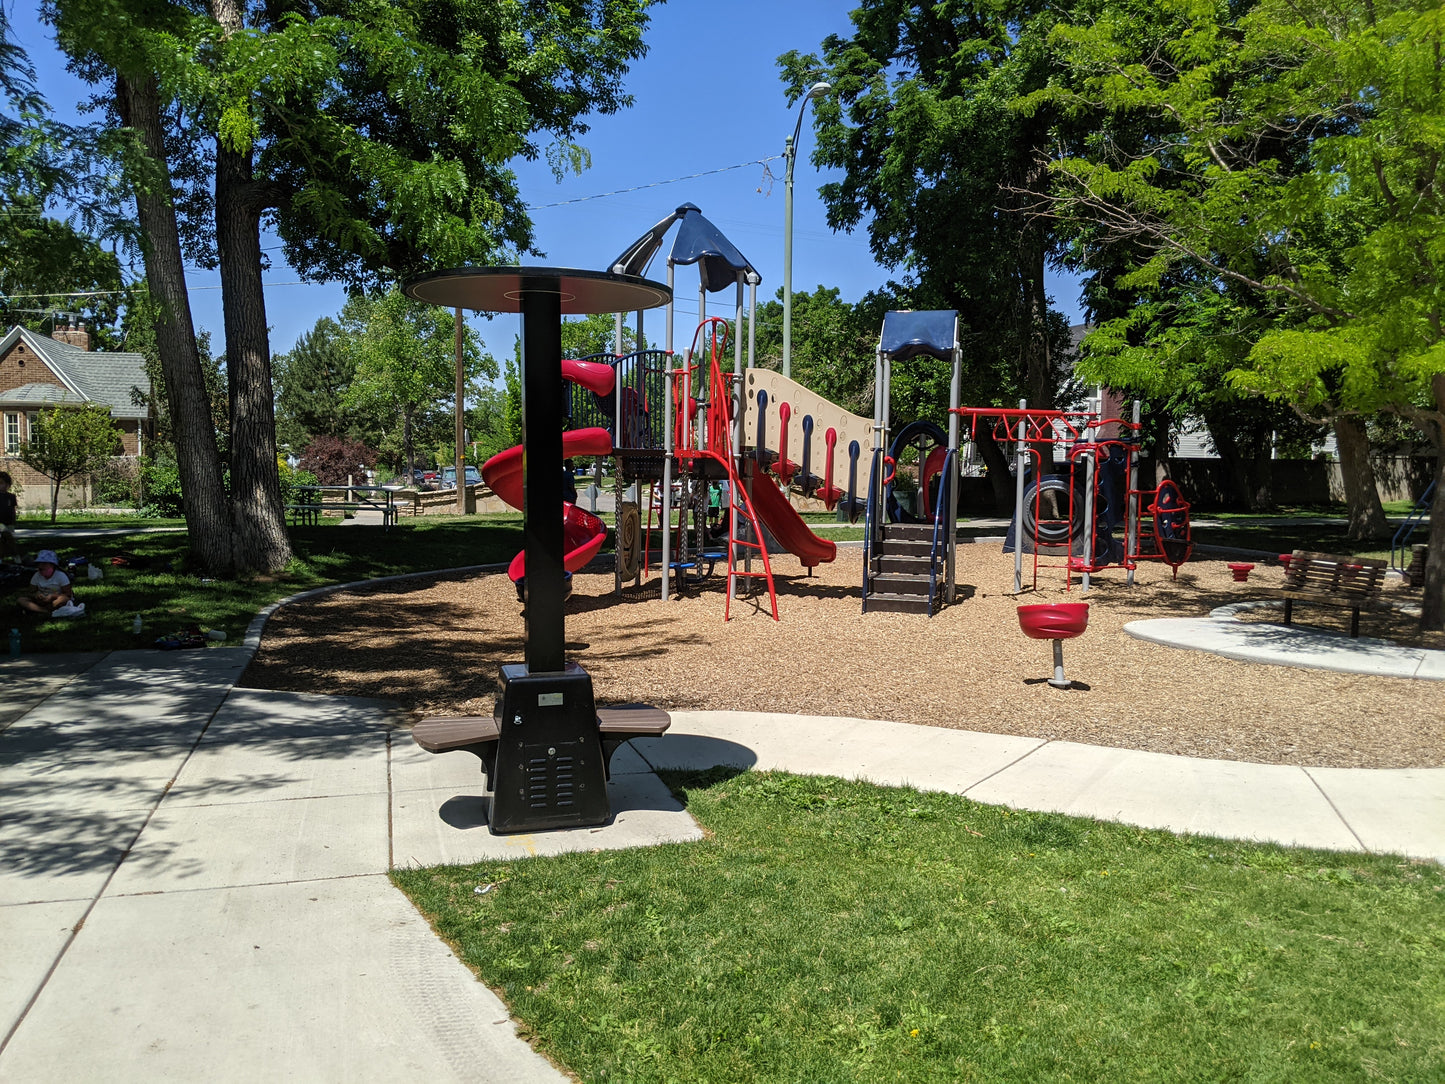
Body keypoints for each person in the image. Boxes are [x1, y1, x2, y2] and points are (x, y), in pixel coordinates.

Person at [18, 549, 84, 617]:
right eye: (39, 564)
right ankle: (43, 610)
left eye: (44, 564)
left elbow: (68, 594)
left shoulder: (60, 576)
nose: (41, 566)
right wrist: (37, 594)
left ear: (52, 566)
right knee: (22, 600)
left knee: (63, 600)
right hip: (42, 600)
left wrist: (53, 596)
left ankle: (40, 610)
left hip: (55, 600)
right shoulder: (37, 576)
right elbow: (31, 591)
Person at [0, 471, 16, 561]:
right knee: (7, 538)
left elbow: (12, 510)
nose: (3, 486)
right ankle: (16, 556)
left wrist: (13, 521)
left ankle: (11, 556)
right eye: (1, 483)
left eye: (6, 483)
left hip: (8, 522)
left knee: (6, 540)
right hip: (0, 522)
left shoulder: (11, 497)